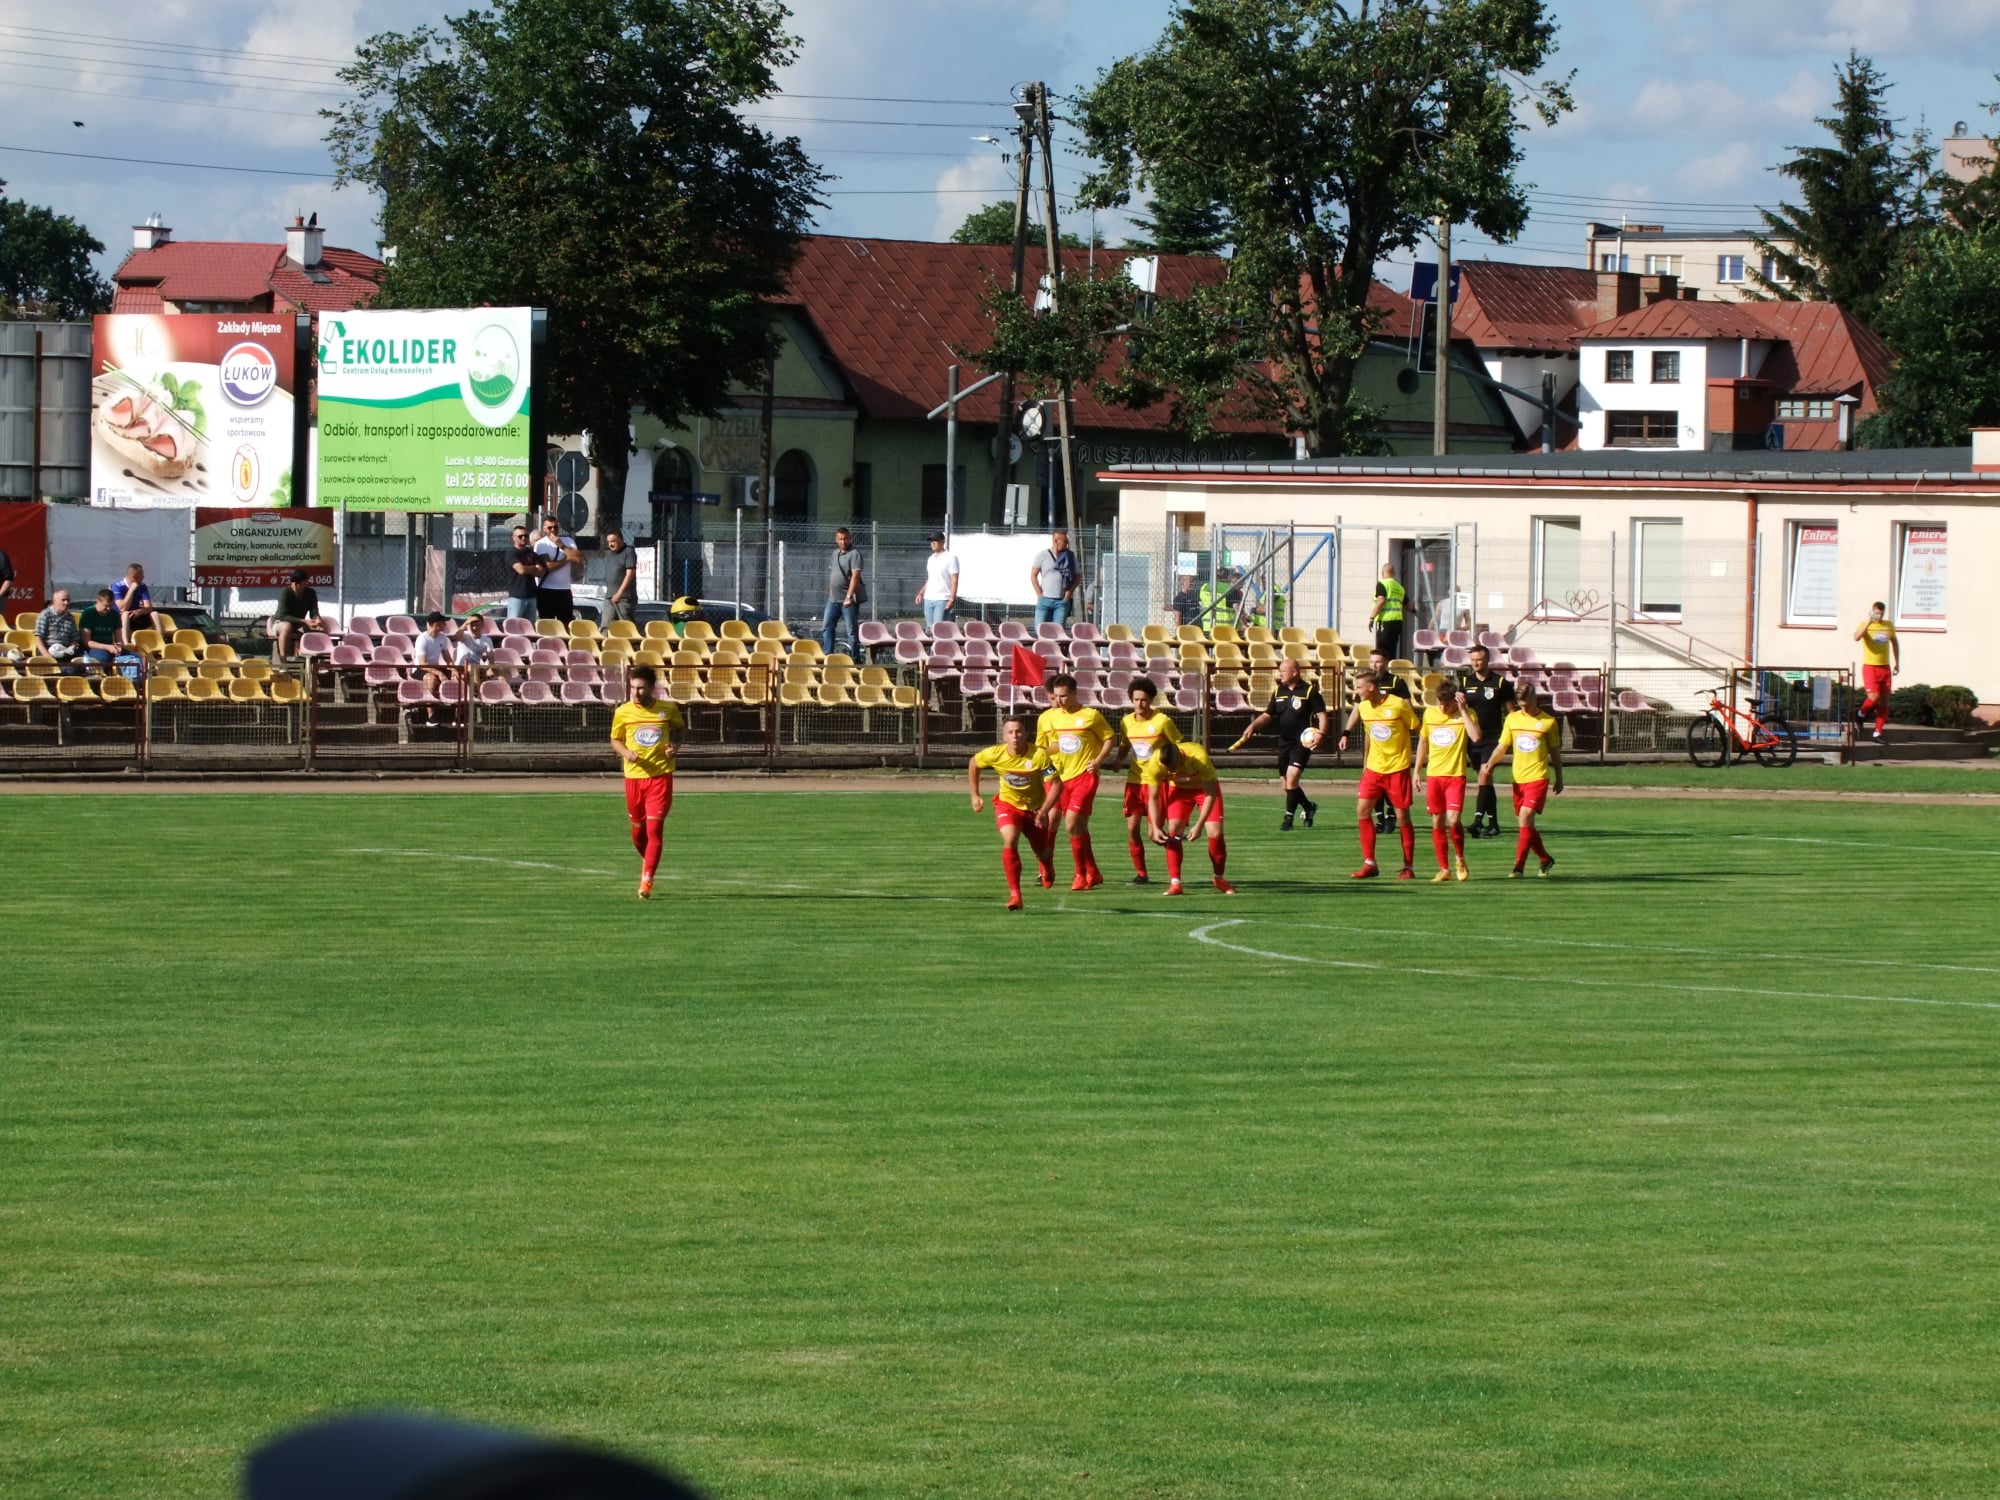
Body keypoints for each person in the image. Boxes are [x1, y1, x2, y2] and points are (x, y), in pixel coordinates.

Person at [968, 714, 1062, 910]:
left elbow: (1057, 784)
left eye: (1019, 731)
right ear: (1004, 736)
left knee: (1042, 852)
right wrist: (975, 796)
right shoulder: (995, 754)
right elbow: (974, 764)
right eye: (1010, 732)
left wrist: (1044, 811)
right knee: (1010, 838)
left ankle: (1047, 865)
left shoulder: (1039, 755)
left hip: (1035, 809)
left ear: (1025, 734)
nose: (1015, 735)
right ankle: (1015, 895)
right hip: (1008, 805)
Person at [609, 663, 684, 900]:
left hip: (660, 777)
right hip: (633, 779)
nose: (636, 693)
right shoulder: (623, 712)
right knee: (638, 835)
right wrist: (626, 753)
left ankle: (646, 881)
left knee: (654, 831)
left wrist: (675, 746)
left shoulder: (667, 709)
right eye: (633, 688)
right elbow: (615, 740)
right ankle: (649, 861)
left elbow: (680, 729)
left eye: (641, 688)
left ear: (652, 688)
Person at [1035, 671, 1117, 889]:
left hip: (1084, 776)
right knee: (1077, 827)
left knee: (1070, 823)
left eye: (1063, 696)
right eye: (1055, 696)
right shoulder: (1049, 717)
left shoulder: (1091, 715)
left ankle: (1079, 874)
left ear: (1074, 693)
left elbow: (1110, 737)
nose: (1059, 701)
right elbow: (1042, 749)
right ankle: (1092, 872)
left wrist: (1099, 760)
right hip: (1058, 778)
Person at [1227, 656, 1327, 831]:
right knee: (1287, 786)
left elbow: (1322, 716)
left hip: (1301, 743)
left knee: (1292, 778)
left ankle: (1288, 819)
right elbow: (1267, 715)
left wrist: (1321, 733)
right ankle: (1308, 807)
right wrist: (1252, 726)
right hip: (1284, 743)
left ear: (1294, 672)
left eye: (1283, 671)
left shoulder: (1309, 691)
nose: (1280, 674)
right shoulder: (1279, 691)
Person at [1338, 669, 1420, 879]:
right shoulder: (1364, 707)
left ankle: (1408, 867)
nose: (1356, 691)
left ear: (1371, 687)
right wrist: (1365, 764)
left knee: (1402, 817)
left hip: (1397, 769)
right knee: (1362, 811)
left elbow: (1418, 729)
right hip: (1374, 769)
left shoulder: (1398, 704)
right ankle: (1370, 863)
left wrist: (1418, 763)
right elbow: (1370, 735)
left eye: (1358, 687)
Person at [1491, 682, 1563, 878]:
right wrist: (1490, 764)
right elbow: (1502, 747)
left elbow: (1555, 752)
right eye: (1521, 705)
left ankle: (1518, 867)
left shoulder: (1548, 722)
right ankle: (1545, 858)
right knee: (1526, 825)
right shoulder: (1512, 720)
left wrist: (1559, 777)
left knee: (1525, 817)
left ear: (1534, 698)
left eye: (1527, 704)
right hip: (1518, 779)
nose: (1524, 708)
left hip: (1538, 777)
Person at [1116, 676, 1181, 884]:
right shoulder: (1126, 722)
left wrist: (1174, 769)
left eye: (1143, 700)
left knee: (1156, 834)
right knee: (1131, 829)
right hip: (1135, 781)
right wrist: (1119, 759)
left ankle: (1174, 859)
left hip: (1157, 782)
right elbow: (1125, 744)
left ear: (1151, 700)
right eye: (1135, 700)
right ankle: (1141, 873)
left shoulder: (1162, 721)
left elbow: (1179, 746)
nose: (1139, 704)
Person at [1413, 679, 1478, 883]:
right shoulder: (1430, 714)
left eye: (1447, 703)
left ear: (1455, 700)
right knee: (1437, 822)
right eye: (1440, 702)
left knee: (1454, 819)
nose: (1443, 707)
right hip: (1434, 776)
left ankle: (1459, 859)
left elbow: (1476, 737)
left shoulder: (1466, 714)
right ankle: (1444, 869)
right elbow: (1423, 742)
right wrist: (1416, 771)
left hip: (1455, 775)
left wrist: (1464, 711)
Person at [1151, 739, 1235, 896]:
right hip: (1179, 792)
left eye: (1174, 769)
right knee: (1173, 830)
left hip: (1204, 791)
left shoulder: (1199, 757)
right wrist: (1155, 826)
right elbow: (1153, 798)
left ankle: (1219, 878)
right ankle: (1175, 883)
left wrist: (1198, 825)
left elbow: (1211, 793)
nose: (1171, 773)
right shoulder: (1156, 762)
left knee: (1215, 832)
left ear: (1181, 759)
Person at [1456, 643, 1515, 838]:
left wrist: (1514, 735)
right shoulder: (1465, 681)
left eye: (1479, 660)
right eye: (1472, 660)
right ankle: (1494, 824)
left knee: (1485, 773)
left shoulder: (1500, 683)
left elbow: (1511, 712)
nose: (1475, 663)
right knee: (1486, 781)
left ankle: (1477, 820)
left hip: (1493, 738)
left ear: (1488, 660)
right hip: (1472, 738)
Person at [1360, 648, 1410, 832]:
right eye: (1371, 661)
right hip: (1376, 756)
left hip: (1396, 759)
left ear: (1386, 663)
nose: (1374, 665)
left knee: (1400, 809)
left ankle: (1391, 818)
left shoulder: (1396, 684)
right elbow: (1364, 721)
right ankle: (1380, 822)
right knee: (1365, 804)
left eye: (1378, 661)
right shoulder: (1365, 703)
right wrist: (1346, 732)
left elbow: (1410, 716)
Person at [1854, 600, 1898, 742]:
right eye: (1877, 613)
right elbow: (1856, 637)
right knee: (1874, 697)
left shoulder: (1888, 626)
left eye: (1881, 613)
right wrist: (1868, 621)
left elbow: (1894, 642)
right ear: (1872, 611)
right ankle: (1860, 714)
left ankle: (1877, 732)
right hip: (1870, 667)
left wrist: (1897, 663)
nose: (1879, 616)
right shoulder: (1866, 625)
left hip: (1885, 667)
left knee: (1884, 701)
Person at [821, 526, 865, 653]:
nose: (843, 542)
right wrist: (831, 590)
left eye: (845, 539)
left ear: (850, 539)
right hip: (833, 599)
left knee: (851, 631)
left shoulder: (855, 554)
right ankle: (827, 655)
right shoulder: (835, 553)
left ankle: (854, 659)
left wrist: (849, 596)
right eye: (840, 539)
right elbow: (833, 572)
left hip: (847, 600)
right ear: (836, 540)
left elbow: (856, 576)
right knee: (827, 626)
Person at [533, 515, 581, 624]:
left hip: (564, 590)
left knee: (566, 623)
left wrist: (561, 545)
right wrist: (567, 559)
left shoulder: (567, 541)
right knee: (547, 624)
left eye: (555, 527)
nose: (553, 530)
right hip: (547, 590)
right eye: (549, 528)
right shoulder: (541, 544)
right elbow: (549, 566)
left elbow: (577, 558)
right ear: (544, 529)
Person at [271, 569, 326, 661]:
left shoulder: (310, 593)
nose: (306, 584)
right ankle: (283, 659)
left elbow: (314, 611)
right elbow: (283, 616)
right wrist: (303, 621)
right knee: (287, 626)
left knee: (321, 629)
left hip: (299, 624)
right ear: (296, 584)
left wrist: (317, 619)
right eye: (305, 582)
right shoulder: (285, 593)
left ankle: (316, 661)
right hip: (279, 622)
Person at [411, 612, 455, 723]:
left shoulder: (443, 638)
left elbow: (448, 659)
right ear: (436, 624)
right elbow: (422, 663)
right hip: (420, 669)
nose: (445, 624)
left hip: (435, 667)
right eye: (443, 622)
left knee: (458, 677)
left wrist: (454, 670)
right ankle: (431, 716)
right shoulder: (422, 639)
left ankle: (458, 716)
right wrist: (439, 673)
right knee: (431, 678)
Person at [1029, 529, 1080, 627]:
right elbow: (1033, 575)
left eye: (1067, 542)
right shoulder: (1043, 555)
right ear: (1056, 541)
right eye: (1064, 541)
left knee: (1058, 631)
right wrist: (1040, 594)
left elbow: (1077, 576)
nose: (1067, 544)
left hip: (1061, 601)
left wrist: (1068, 594)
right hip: (1044, 599)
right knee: (1040, 629)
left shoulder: (1070, 556)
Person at [917, 531, 959, 630]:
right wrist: (921, 593)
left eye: (935, 541)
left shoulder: (951, 558)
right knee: (930, 628)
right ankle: (933, 646)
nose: (933, 543)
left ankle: (941, 645)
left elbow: (954, 579)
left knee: (938, 628)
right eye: (931, 541)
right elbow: (930, 579)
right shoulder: (931, 559)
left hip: (942, 598)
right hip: (928, 598)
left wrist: (952, 599)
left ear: (942, 542)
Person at [33, 588, 83, 670]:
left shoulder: (70, 618)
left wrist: (70, 649)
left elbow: (75, 639)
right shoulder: (45, 615)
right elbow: (38, 638)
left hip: (65, 651)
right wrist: (47, 657)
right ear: (55, 601)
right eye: (63, 600)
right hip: (47, 650)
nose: (66, 603)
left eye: (68, 600)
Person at [1369, 562, 1406, 661]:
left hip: (1385, 621)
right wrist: (1416, 611)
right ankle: (1391, 672)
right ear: (1394, 573)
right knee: (1392, 650)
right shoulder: (1399, 587)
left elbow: (1381, 601)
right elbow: (1407, 604)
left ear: (1382, 573)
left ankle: (1382, 674)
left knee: (1382, 651)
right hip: (1397, 622)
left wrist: (1372, 618)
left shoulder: (1382, 584)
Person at [111, 563, 155, 644]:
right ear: (134, 577)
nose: (143, 577)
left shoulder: (142, 586)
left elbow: (148, 607)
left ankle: (159, 640)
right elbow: (123, 608)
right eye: (141, 575)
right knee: (125, 614)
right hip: (120, 617)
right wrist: (131, 590)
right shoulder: (117, 586)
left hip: (135, 614)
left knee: (154, 614)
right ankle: (126, 643)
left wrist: (139, 611)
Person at [504, 524, 541, 621]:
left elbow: (541, 572)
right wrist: (533, 568)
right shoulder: (512, 553)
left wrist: (529, 569)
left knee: (530, 627)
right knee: (513, 625)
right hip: (517, 596)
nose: (523, 538)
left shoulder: (531, 553)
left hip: (532, 595)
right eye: (520, 536)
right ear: (514, 538)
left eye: (526, 536)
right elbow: (521, 570)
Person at [601, 529, 637, 629]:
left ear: (621, 540)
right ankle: (605, 644)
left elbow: (630, 574)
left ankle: (632, 644)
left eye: (613, 541)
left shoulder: (629, 552)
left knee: (626, 627)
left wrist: (620, 593)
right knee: (605, 625)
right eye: (608, 542)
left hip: (624, 598)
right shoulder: (609, 555)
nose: (610, 544)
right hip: (610, 597)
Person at [78, 588, 123, 666]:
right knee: (104, 658)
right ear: (98, 601)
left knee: (134, 657)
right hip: (93, 648)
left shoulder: (115, 615)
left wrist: (119, 647)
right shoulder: (88, 614)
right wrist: (107, 647)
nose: (108, 609)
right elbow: (86, 642)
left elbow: (119, 639)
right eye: (106, 606)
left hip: (110, 647)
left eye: (111, 606)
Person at [452, 613, 494, 678]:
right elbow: (456, 637)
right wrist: (466, 623)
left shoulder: (487, 640)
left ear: (482, 625)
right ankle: (476, 688)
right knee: (474, 670)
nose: (474, 628)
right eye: (472, 625)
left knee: (501, 670)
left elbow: (491, 657)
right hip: (461, 667)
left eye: (477, 625)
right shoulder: (464, 635)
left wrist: (490, 668)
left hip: (477, 666)